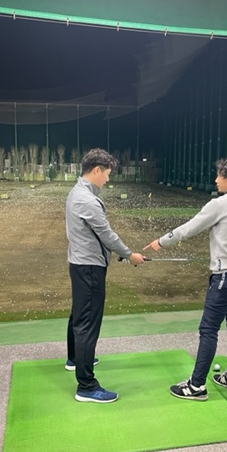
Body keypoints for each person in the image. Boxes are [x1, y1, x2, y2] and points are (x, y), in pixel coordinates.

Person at [144, 157, 227, 401]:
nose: (216, 180)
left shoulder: (220, 204)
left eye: (220, 175)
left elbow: (190, 228)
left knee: (208, 330)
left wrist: (161, 241)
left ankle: (196, 386)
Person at [65, 148, 145, 403]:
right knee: (88, 323)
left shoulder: (77, 192)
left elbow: (96, 236)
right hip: (89, 268)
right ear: (96, 170)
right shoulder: (87, 200)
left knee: (79, 315)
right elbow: (107, 235)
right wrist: (129, 255)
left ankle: (75, 358)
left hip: (80, 263)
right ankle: (86, 386)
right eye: (107, 173)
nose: (108, 179)